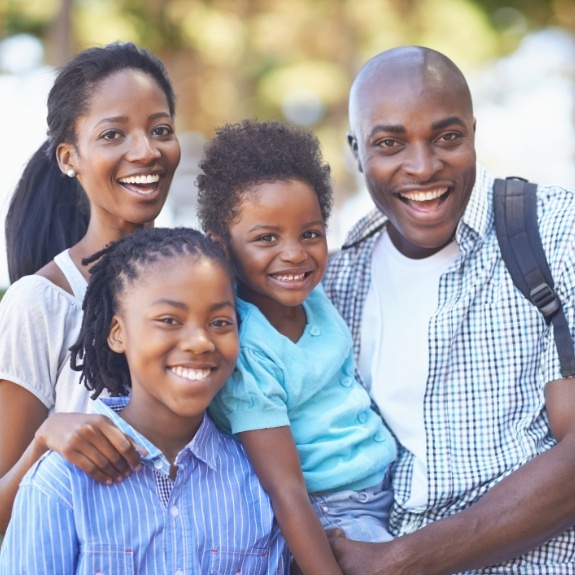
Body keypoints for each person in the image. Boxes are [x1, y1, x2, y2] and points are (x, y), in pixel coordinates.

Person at [323, 45, 575, 574]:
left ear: (474, 132)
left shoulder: (554, 233)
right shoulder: (334, 283)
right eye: (390, 143)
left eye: (447, 137)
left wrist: (404, 561)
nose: (422, 166)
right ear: (356, 151)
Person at [0, 227, 289, 573]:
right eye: (169, 320)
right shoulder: (61, 483)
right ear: (118, 333)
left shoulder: (257, 480)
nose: (200, 342)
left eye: (219, 322)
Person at [197, 119, 397, 575]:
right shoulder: (246, 351)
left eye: (310, 233)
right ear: (221, 249)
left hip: (386, 487)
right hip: (331, 514)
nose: (295, 254)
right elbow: (285, 491)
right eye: (267, 238)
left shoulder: (313, 296)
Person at [0, 41, 181, 535]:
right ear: (69, 158)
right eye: (112, 134)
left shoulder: (204, 283)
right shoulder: (41, 303)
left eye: (160, 129)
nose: (145, 150)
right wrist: (44, 441)